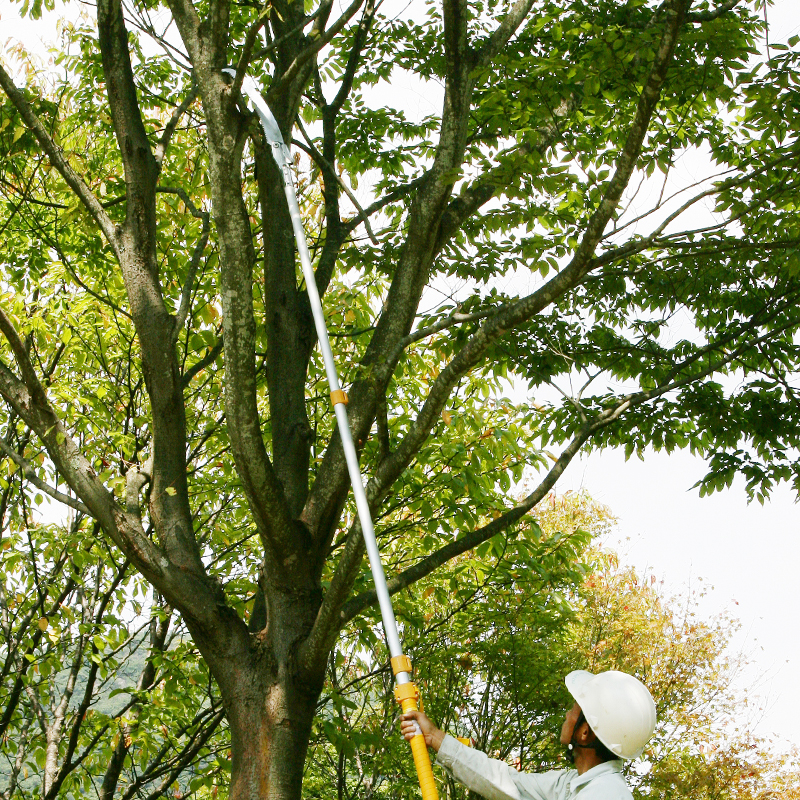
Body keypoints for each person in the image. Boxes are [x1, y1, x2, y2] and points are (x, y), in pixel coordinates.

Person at [400, 669, 656, 800]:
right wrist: (437, 738)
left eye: (574, 710)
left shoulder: (604, 795)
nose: (567, 715)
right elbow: (507, 782)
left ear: (586, 732)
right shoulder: (574, 784)